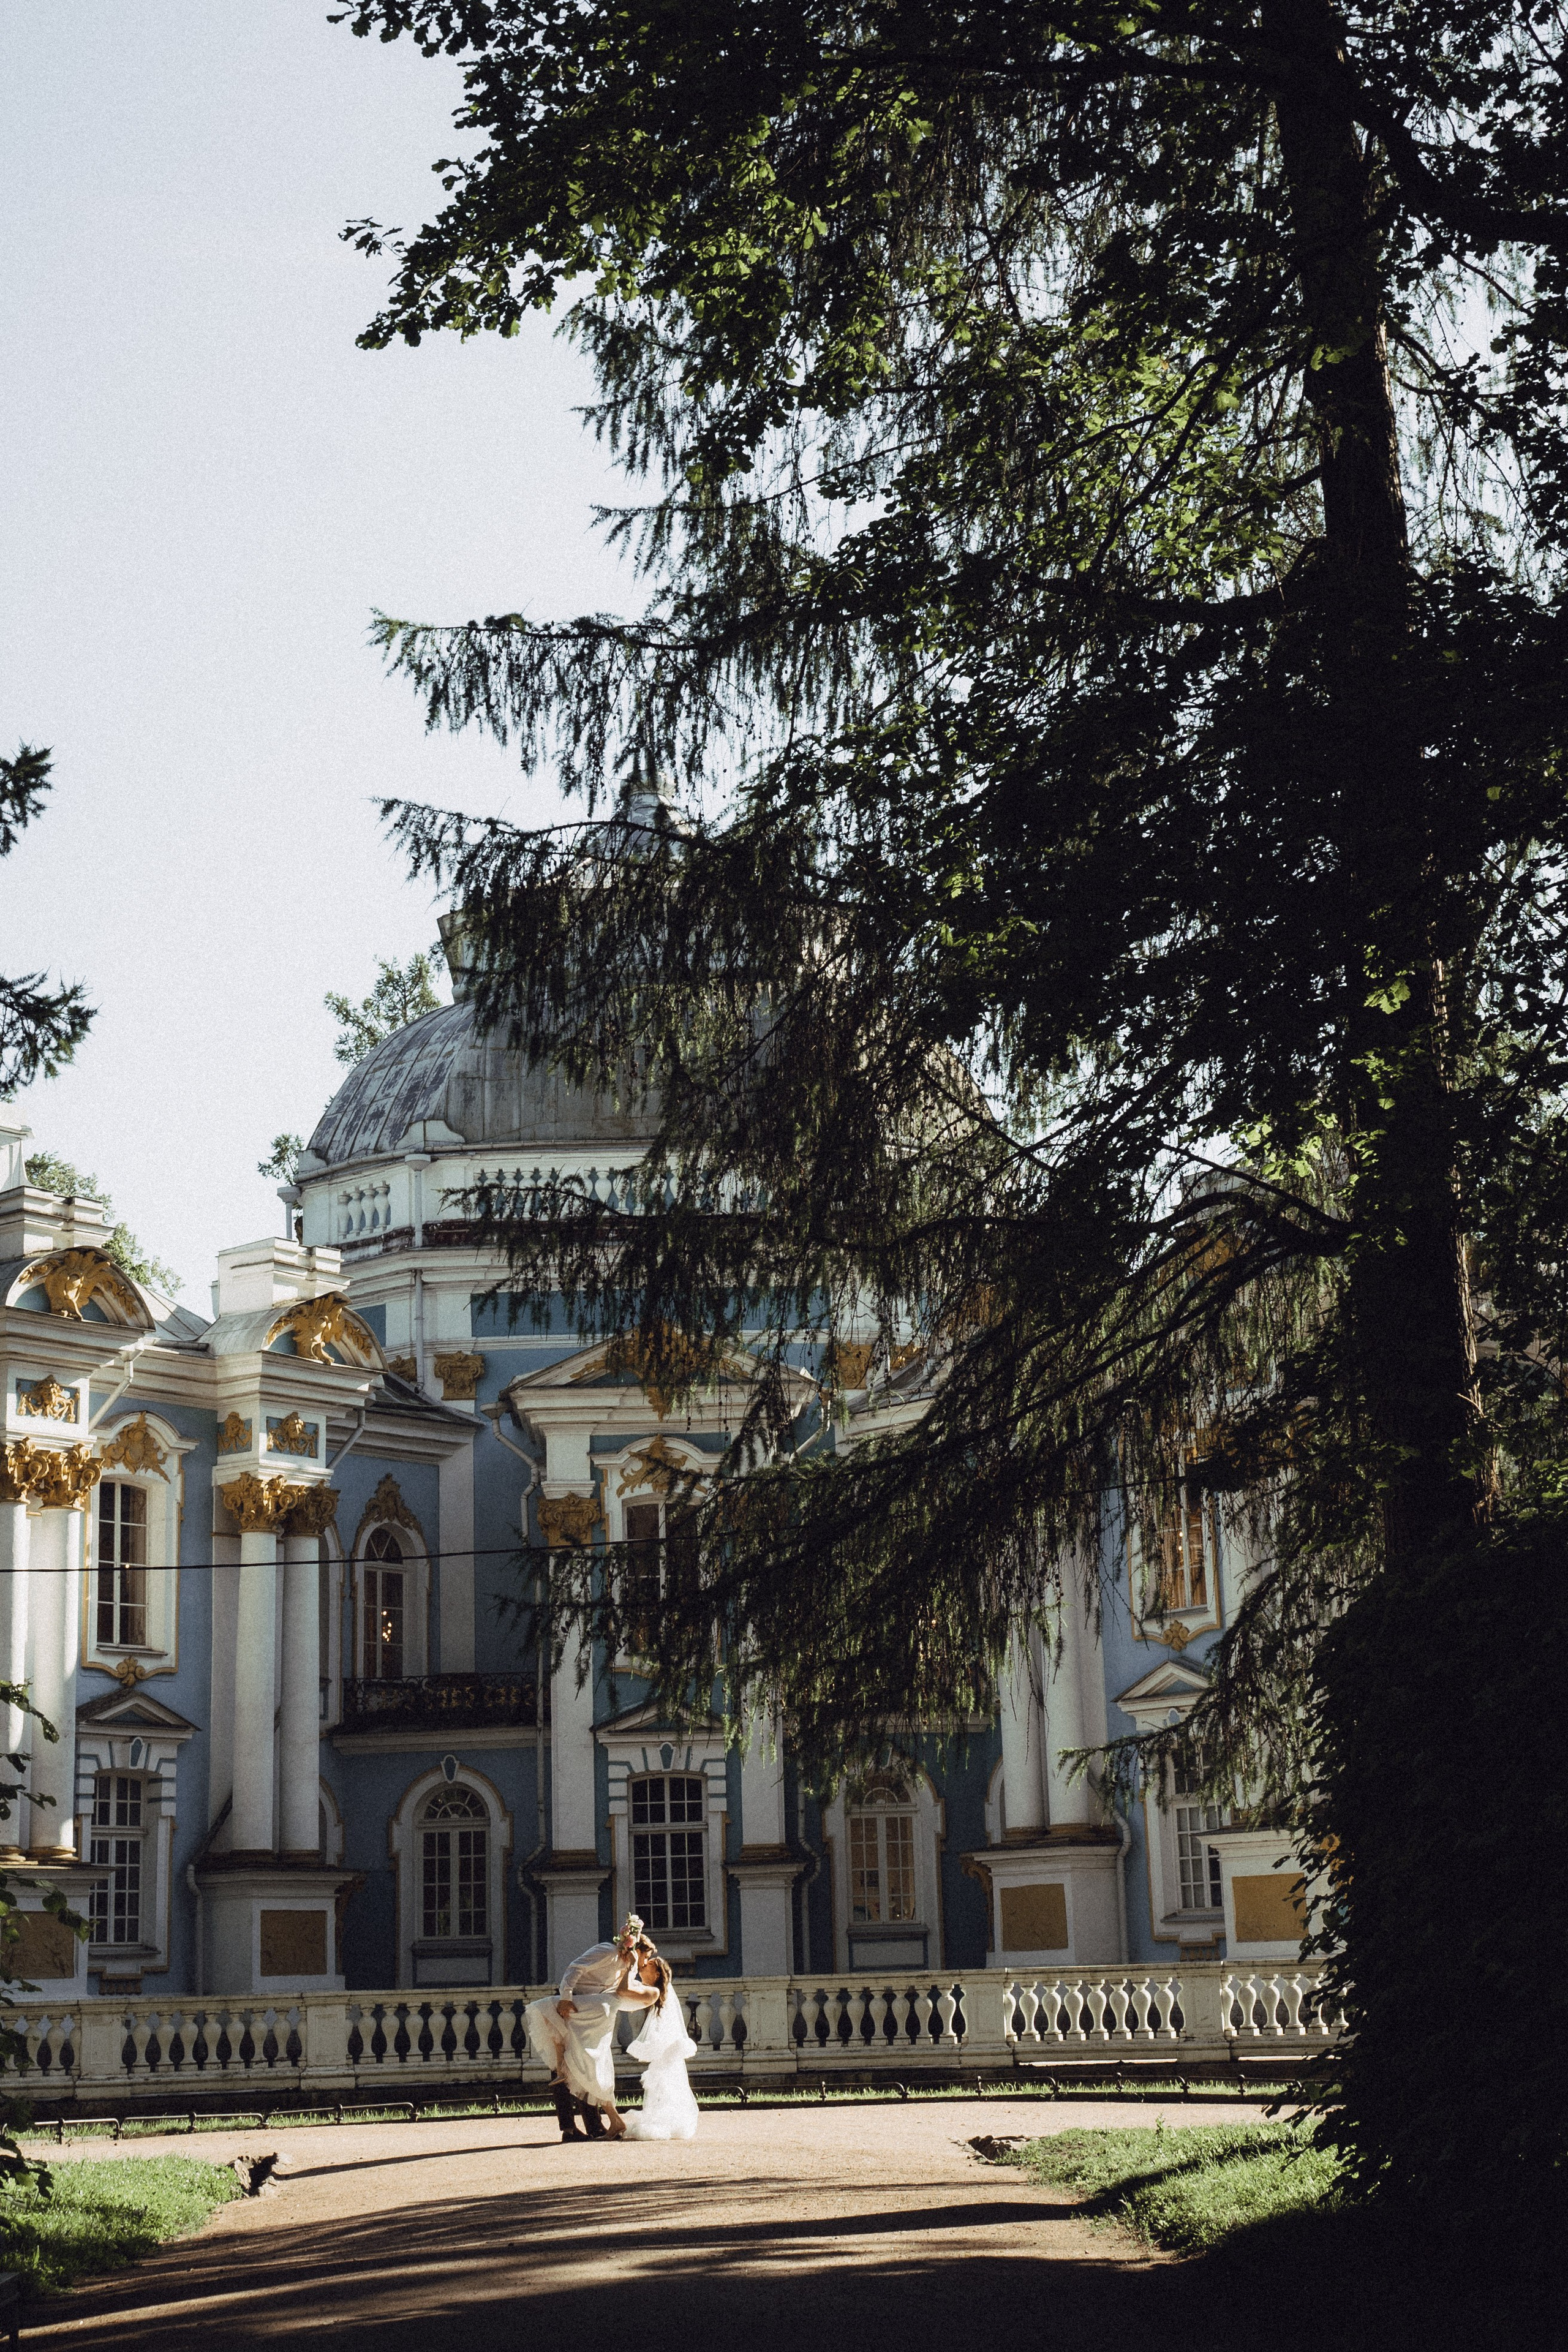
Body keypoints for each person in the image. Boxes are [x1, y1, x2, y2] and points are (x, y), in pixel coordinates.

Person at [525, 1913, 660, 2141]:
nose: (644, 1963)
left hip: (588, 2016)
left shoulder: (630, 1967)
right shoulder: (607, 1951)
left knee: (584, 2064)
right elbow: (574, 1969)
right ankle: (569, 2128)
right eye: (644, 1957)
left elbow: (621, 1992)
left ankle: (595, 2126)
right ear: (636, 1948)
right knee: (564, 2069)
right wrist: (566, 1998)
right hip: (573, 2009)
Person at [622, 1944, 700, 2141]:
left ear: (657, 1974)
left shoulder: (659, 1998)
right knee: (662, 2087)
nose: (643, 1967)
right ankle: (666, 2120)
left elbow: (666, 2030)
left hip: (665, 2052)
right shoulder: (656, 1996)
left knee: (665, 2085)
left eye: (647, 1966)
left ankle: (664, 2122)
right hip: (662, 2052)